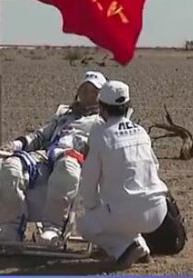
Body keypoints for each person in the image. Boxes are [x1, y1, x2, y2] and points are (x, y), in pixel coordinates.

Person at [0, 71, 107, 245]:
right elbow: (41, 136)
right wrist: (16, 145)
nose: (88, 95)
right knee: (11, 165)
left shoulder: (102, 121)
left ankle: (53, 228)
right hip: (47, 155)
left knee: (67, 166)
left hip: (76, 157)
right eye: (84, 90)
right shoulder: (64, 114)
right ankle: (11, 228)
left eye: (94, 91)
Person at [77, 80, 169, 269]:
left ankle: (124, 249)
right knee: (118, 217)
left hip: (126, 212)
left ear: (102, 108)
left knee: (86, 225)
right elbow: (155, 166)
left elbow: (89, 182)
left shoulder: (101, 135)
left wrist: (93, 208)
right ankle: (140, 247)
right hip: (158, 210)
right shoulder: (142, 132)